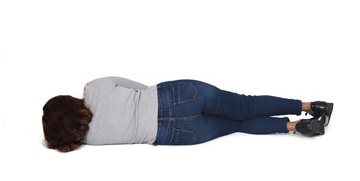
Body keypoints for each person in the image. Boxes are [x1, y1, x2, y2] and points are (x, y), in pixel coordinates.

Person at [42, 76, 334, 152]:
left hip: (172, 135)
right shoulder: (93, 88)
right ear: (68, 102)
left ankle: (295, 127)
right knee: (244, 104)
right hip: (173, 98)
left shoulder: (88, 140)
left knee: (239, 124)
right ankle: (311, 107)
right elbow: (138, 86)